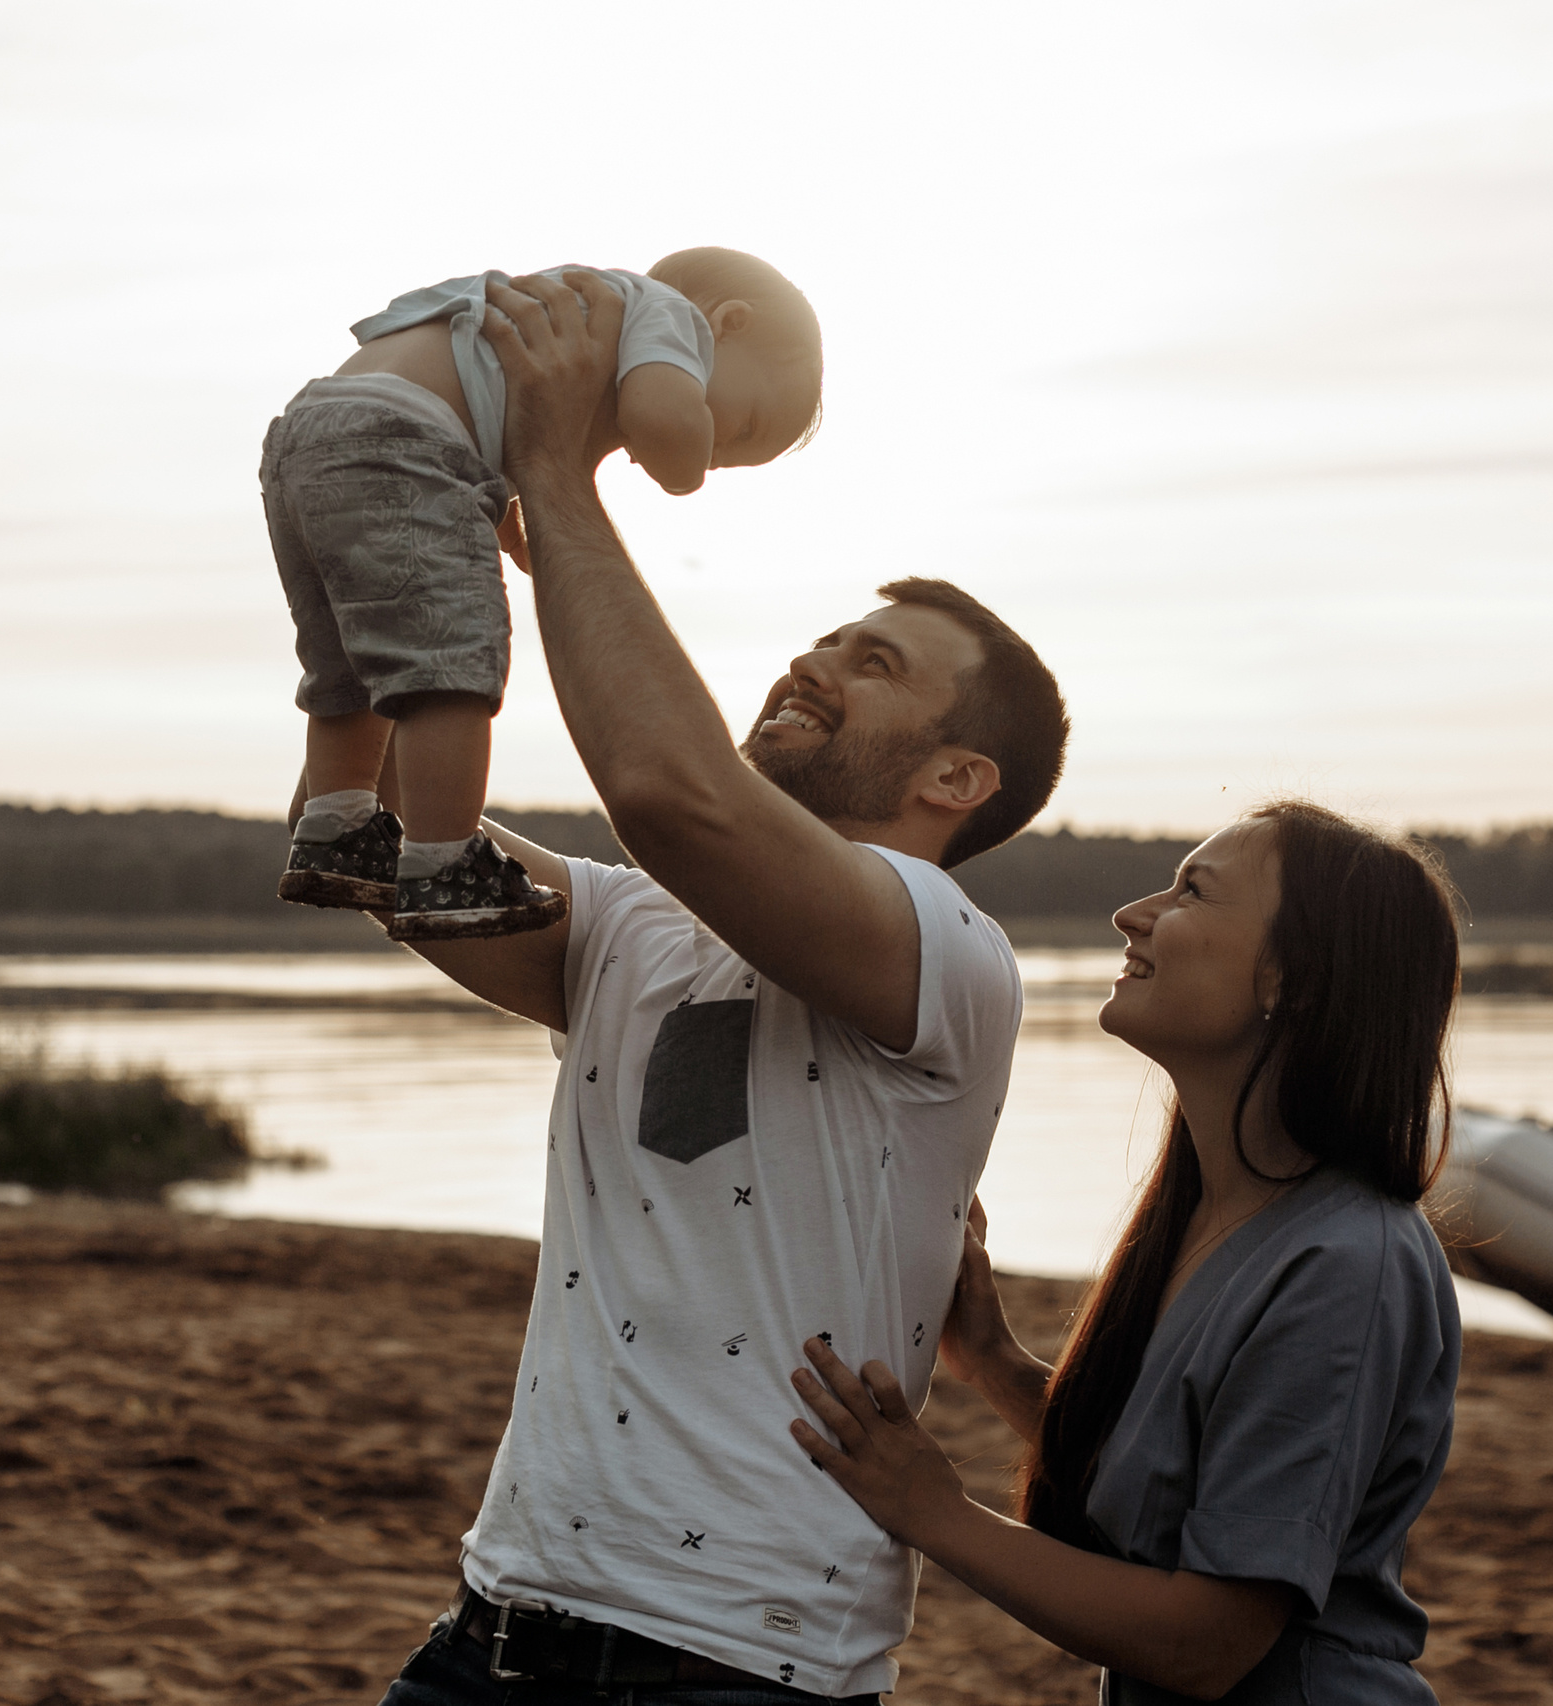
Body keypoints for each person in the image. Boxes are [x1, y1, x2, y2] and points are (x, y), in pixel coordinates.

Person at [353, 272, 1069, 1705]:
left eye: (873, 664)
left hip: (739, 1665)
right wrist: (428, 491)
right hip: (500, 1619)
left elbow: (675, 795)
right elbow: (392, 849)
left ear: (953, 777)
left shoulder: (946, 954)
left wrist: (560, 471)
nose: (813, 662)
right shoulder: (628, 925)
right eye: (825, 637)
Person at [787, 802, 1466, 1704]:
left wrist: (934, 1512)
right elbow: (1173, 1489)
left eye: (1193, 890)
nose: (1132, 913)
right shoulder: (1208, 1213)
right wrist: (992, 1363)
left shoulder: (1349, 1263)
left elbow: (1207, 1643)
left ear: (1293, 978)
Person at [265, 249, 823, 943]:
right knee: (450, 667)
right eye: (741, 430)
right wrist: (688, 464)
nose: (718, 453)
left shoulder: (575, 325)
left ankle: (338, 824)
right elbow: (664, 424)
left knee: (349, 665)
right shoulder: (667, 316)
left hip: (307, 436)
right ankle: (444, 861)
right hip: (402, 440)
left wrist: (515, 526)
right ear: (728, 323)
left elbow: (479, 431)